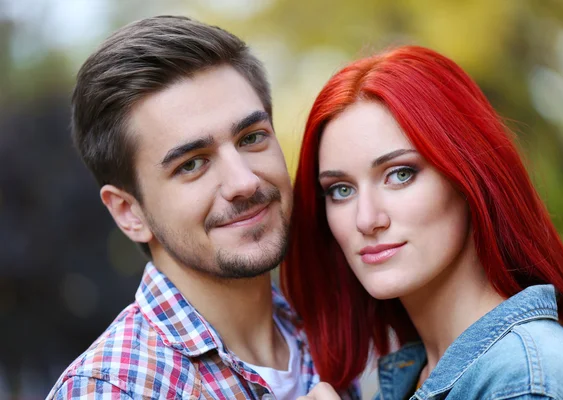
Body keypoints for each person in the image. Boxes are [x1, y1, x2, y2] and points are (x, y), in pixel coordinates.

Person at [47, 16, 360, 400]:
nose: (244, 181)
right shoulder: (112, 390)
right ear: (129, 213)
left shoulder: (328, 333)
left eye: (252, 138)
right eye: (192, 164)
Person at [284, 46, 563, 400]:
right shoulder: (413, 375)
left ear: (469, 178)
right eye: (341, 190)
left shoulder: (527, 380)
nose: (367, 219)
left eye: (400, 174)